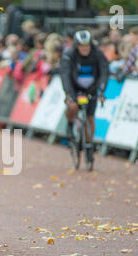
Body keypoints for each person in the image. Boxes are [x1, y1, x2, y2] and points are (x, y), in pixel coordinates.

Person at [60, 30, 109, 165]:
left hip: (91, 89)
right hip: (75, 87)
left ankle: (88, 146)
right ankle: (70, 124)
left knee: (90, 117)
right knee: (73, 106)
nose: (85, 48)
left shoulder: (98, 54)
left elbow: (104, 72)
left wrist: (101, 91)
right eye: (82, 46)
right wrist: (69, 93)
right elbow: (65, 75)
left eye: (87, 45)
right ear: (76, 45)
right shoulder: (69, 55)